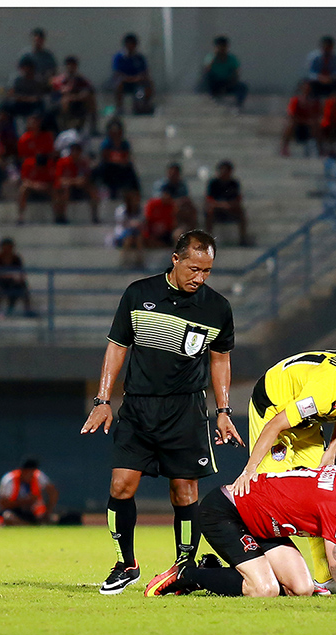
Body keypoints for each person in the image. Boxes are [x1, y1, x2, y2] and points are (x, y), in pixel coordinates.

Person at [80, 230, 242, 595]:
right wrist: (103, 400)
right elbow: (117, 347)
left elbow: (220, 360)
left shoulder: (217, 307)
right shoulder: (139, 294)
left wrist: (223, 410)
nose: (200, 277)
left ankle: (184, 567)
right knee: (120, 486)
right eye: (194, 269)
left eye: (207, 271)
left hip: (186, 410)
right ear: (176, 259)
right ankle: (126, 563)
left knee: (184, 492)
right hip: (138, 406)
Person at [227, 349, 336, 593]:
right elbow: (276, 424)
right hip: (274, 408)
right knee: (268, 498)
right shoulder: (325, 391)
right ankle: (258, 572)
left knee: (321, 496)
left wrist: (333, 447)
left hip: (307, 421)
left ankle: (326, 580)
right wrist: (249, 470)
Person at [144, 457, 336, 599]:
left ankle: (216, 571)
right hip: (226, 511)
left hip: (264, 525)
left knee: (302, 588)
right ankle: (190, 574)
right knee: (263, 589)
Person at [0, 458, 59, 525]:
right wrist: (24, 501)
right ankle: (29, 526)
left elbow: (53, 492)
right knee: (8, 517)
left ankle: (32, 524)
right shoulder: (9, 480)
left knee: (53, 519)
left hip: (34, 512)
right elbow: (2, 503)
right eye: (27, 472)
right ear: (21, 470)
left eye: (32, 472)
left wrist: (48, 510)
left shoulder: (38, 476)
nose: (29, 475)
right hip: (16, 511)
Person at [0, 238, 35, 316]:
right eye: (5, 248)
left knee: (23, 287)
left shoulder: (16, 258)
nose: (7, 250)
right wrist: (7, 275)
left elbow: (21, 272)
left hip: (13, 282)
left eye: (10, 248)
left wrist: (18, 278)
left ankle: (27, 310)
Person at [53, 142, 99, 224]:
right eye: (74, 151)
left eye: (78, 151)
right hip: (67, 187)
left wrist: (82, 181)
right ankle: (61, 216)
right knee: (65, 189)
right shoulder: (62, 162)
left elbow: (87, 177)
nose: (76, 153)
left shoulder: (83, 163)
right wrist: (74, 181)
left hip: (80, 187)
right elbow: (59, 179)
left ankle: (95, 216)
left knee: (93, 190)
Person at [204, 161, 248, 246]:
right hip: (216, 208)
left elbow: (237, 199)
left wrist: (228, 205)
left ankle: (243, 238)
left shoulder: (234, 183)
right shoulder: (213, 183)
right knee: (209, 210)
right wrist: (222, 205)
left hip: (230, 208)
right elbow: (209, 199)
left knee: (241, 212)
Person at [50, 55, 98, 134]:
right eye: (69, 65)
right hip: (62, 101)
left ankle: (93, 127)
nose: (71, 67)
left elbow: (90, 89)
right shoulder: (60, 78)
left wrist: (80, 94)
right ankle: (64, 127)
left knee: (89, 98)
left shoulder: (80, 78)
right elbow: (61, 90)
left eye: (73, 65)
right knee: (66, 100)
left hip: (77, 99)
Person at [112, 33, 154, 114]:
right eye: (129, 44)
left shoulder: (139, 58)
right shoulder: (119, 57)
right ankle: (119, 107)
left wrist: (137, 78)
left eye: (132, 44)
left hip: (137, 82)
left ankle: (144, 106)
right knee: (118, 84)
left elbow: (144, 72)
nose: (130, 47)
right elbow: (117, 72)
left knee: (148, 84)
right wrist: (128, 79)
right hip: (124, 82)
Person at [203, 36, 247, 110]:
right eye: (220, 47)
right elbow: (206, 70)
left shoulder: (232, 59)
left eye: (224, 47)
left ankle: (239, 105)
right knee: (207, 78)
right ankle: (212, 98)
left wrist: (231, 82)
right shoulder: (210, 57)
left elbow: (236, 72)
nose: (222, 49)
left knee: (242, 87)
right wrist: (215, 58)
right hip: (214, 83)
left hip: (227, 82)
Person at [280, 80, 321, 156]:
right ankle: (284, 147)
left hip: (309, 125)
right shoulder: (295, 100)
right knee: (290, 124)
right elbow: (291, 115)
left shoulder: (315, 102)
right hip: (298, 125)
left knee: (316, 125)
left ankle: (319, 148)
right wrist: (304, 121)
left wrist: (310, 121)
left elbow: (317, 115)